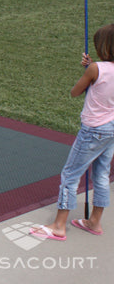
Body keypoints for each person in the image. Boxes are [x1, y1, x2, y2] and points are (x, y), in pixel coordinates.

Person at [30, 23, 114, 241]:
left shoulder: (96, 69)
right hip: (111, 129)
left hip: (93, 129)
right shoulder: (98, 68)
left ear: (104, 47)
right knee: (102, 174)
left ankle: (59, 225)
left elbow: (75, 92)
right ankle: (94, 221)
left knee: (70, 174)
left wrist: (89, 71)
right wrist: (93, 69)